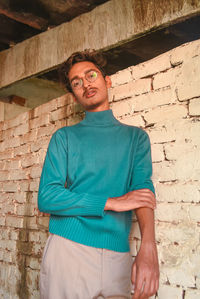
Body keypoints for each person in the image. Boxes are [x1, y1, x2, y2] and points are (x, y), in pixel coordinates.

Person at [38, 50, 159, 299]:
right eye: (76, 82)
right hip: (68, 252)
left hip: (118, 256)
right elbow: (48, 197)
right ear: (74, 95)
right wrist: (113, 203)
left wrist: (148, 247)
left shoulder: (136, 138)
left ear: (107, 80)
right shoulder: (64, 138)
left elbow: (143, 193)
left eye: (91, 75)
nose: (86, 83)